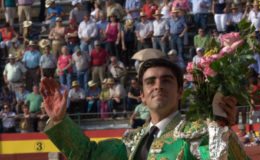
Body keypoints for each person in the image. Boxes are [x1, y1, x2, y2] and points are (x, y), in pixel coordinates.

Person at [40, 58, 249, 160]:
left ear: (179, 93)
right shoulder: (130, 142)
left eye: (166, 81)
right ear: (142, 96)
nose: (158, 85)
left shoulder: (198, 133)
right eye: (150, 82)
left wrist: (221, 129)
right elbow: (89, 155)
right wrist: (60, 121)